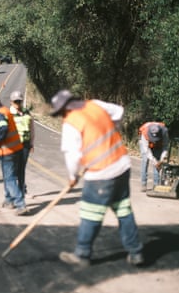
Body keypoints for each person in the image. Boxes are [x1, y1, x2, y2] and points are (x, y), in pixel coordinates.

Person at [50, 89, 143, 267]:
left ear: (64, 109)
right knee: (124, 210)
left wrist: (72, 176)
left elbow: (72, 156)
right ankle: (136, 252)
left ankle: (83, 254)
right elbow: (119, 112)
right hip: (122, 165)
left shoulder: (71, 123)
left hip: (101, 173)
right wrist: (113, 127)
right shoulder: (95, 105)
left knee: (90, 213)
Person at [0, 92, 28, 216]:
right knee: (9, 176)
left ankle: (20, 204)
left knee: (10, 178)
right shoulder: (4, 111)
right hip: (16, 149)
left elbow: (3, 129)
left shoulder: (0, 115)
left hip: (7, 151)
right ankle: (9, 200)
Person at [9, 90, 35, 194]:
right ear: (11, 102)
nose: (17, 104)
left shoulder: (26, 113)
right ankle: (13, 192)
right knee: (13, 169)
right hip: (12, 145)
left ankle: (21, 190)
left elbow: (31, 129)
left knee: (21, 168)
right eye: (15, 102)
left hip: (25, 145)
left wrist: (32, 143)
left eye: (19, 101)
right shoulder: (9, 114)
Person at [138, 122, 169, 191]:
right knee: (145, 160)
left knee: (157, 161)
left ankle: (156, 185)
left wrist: (161, 159)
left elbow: (165, 146)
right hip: (145, 144)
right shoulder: (144, 133)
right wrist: (154, 161)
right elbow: (146, 151)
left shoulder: (164, 132)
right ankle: (143, 184)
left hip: (158, 144)